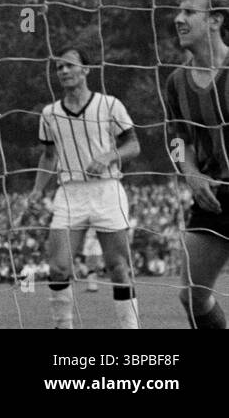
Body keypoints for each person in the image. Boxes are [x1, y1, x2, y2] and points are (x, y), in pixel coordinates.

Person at [30, 46, 140, 328]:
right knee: (58, 267)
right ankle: (62, 326)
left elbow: (133, 145)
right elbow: (48, 155)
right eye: (59, 68)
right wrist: (37, 189)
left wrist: (108, 157)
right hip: (69, 193)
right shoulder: (49, 113)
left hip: (107, 190)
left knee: (119, 268)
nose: (64, 71)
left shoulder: (110, 105)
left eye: (69, 65)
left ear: (86, 70)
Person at [161, 0, 229, 329]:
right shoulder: (176, 82)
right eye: (179, 11)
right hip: (214, 198)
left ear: (215, 20)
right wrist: (190, 172)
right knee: (193, 297)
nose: (178, 18)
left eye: (189, 11)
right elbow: (176, 139)